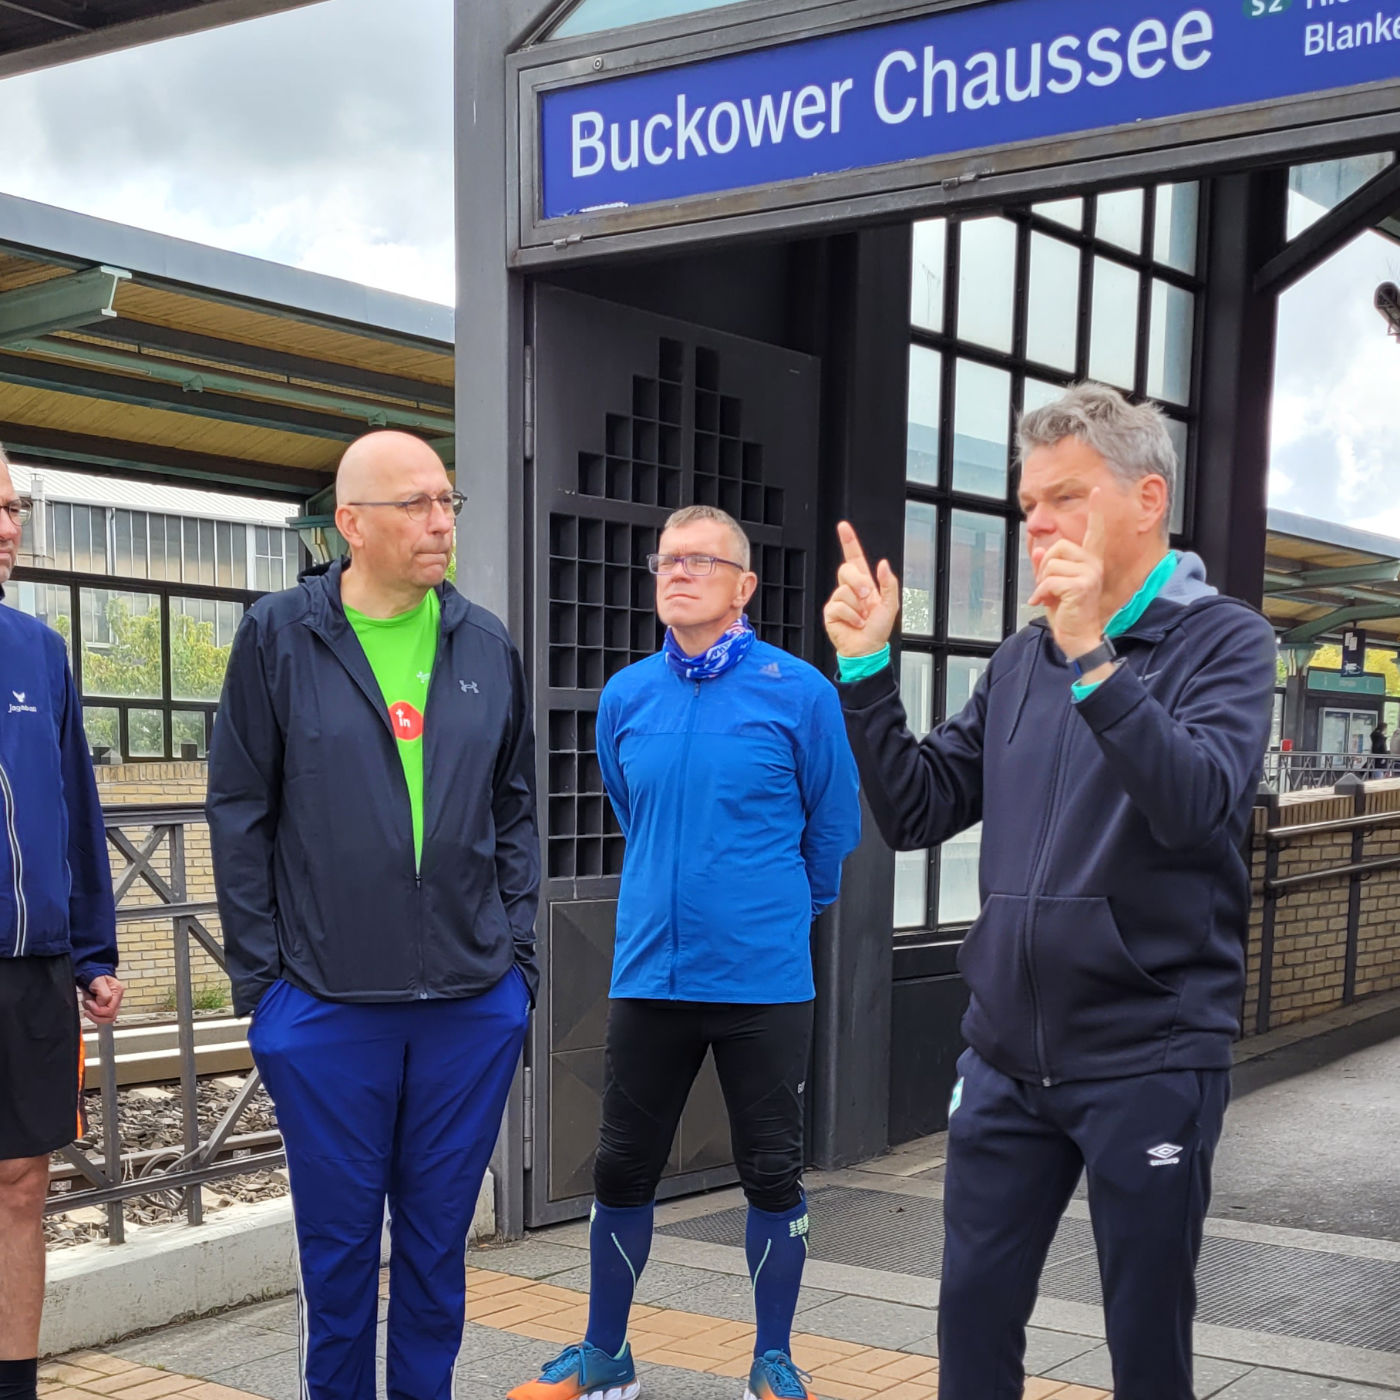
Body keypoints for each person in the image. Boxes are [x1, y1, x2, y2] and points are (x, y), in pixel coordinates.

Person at [823, 383, 1275, 1400]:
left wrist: (1090, 656)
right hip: (1004, 1060)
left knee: (1143, 1339)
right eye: (1027, 505)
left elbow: (1193, 802)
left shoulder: (1226, 643)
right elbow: (917, 807)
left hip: (1147, 1056)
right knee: (971, 1321)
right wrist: (865, 672)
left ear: (1145, 499)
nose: (1036, 525)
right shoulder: (1019, 660)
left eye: (1063, 498)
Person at [208, 430, 538, 1400]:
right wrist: (266, 989)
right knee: (339, 1257)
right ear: (351, 522)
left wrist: (517, 965)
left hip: (469, 1003)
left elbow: (513, 806)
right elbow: (238, 808)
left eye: (449, 500)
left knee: (437, 1254)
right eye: (417, 504)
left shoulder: (484, 641)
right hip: (325, 1008)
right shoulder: (279, 633)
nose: (441, 521)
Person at [509, 505, 861, 1400]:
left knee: (772, 1171)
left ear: (745, 586)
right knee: (621, 1164)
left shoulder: (801, 694)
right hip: (650, 974)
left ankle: (773, 1359)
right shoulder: (627, 696)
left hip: (764, 982)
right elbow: (636, 810)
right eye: (667, 559)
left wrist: (778, 910)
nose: (679, 572)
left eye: (703, 560)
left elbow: (831, 832)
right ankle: (605, 1357)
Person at [0, 442, 122, 1400]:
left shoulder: (38, 647)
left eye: (15, 509)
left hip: (29, 971)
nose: (9, 529)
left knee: (23, 1184)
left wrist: (92, 949)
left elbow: (77, 804)